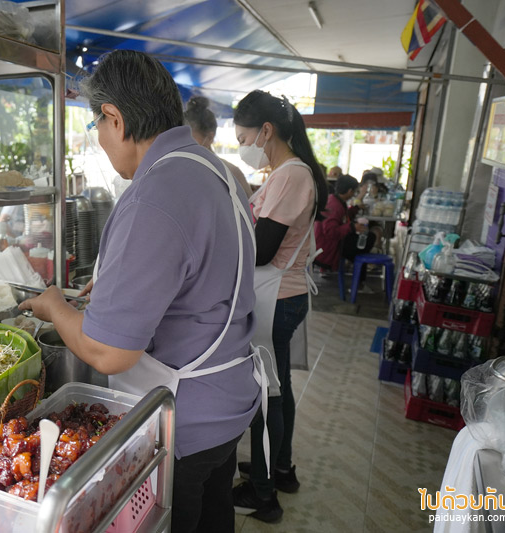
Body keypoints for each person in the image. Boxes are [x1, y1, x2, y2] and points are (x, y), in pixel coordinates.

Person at [19, 50, 260, 533]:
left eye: (98, 125)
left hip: (184, 418)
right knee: (215, 517)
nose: (101, 140)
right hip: (231, 400)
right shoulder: (213, 168)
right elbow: (200, 273)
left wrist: (55, 306)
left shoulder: (154, 195)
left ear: (115, 118)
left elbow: (108, 352)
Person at [230, 90, 328, 522]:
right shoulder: (287, 173)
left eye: (243, 137)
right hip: (282, 296)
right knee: (279, 387)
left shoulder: (292, 175)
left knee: (265, 396)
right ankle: (280, 469)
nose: (242, 146)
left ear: (266, 131)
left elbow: (262, 250)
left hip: (277, 298)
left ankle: (263, 495)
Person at [184, 95, 252, 197]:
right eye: (182, 139)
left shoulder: (231, 172)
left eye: (191, 140)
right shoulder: (179, 171)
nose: (185, 145)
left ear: (210, 137)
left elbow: (248, 205)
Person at [313, 174, 375, 272]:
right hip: (326, 248)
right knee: (369, 239)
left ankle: (358, 271)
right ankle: (359, 273)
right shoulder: (334, 205)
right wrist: (352, 227)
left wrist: (355, 209)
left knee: (365, 239)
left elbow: (341, 218)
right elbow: (330, 231)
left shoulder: (334, 200)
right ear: (350, 191)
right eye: (354, 191)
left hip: (327, 243)